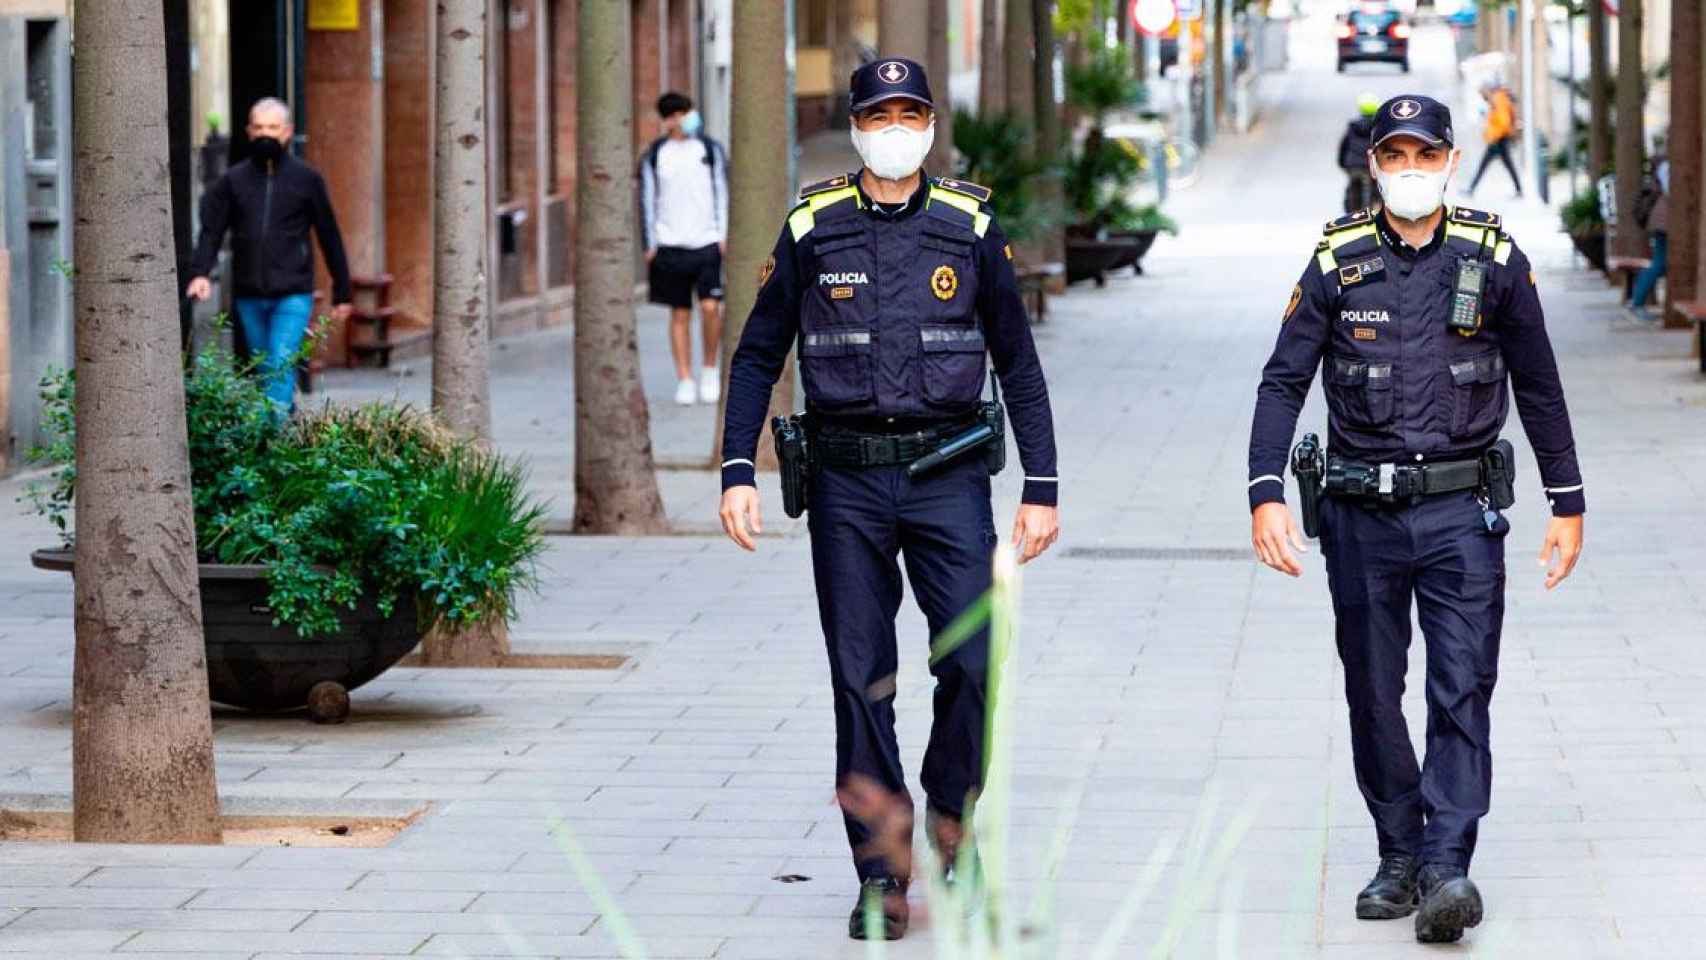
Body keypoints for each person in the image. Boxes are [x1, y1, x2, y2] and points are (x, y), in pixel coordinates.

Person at [717, 57, 1060, 941]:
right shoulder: (813, 226)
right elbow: (760, 352)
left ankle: (952, 820)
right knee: (860, 682)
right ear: (859, 124)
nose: (896, 126)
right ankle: (882, 875)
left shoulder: (970, 225)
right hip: (848, 485)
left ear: (931, 123)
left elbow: (1017, 363)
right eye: (881, 113)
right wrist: (735, 469)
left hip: (950, 477)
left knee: (975, 664)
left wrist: (1043, 488)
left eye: (911, 112)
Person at [1247, 95, 1584, 945]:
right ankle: (1397, 854)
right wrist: (1265, 491)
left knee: (1462, 686)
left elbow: (1539, 385)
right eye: (1393, 156)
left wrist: (1567, 501)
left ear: (1449, 160)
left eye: (1422, 156)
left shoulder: (1494, 258)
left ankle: (1446, 865)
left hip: (1462, 513)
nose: (1408, 171)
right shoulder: (1337, 261)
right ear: (1374, 165)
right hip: (1361, 515)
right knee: (1373, 689)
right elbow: (1282, 380)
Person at [187, 97, 352, 416]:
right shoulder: (233, 181)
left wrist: (342, 291)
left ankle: (269, 442)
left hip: (293, 293)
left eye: (272, 128)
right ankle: (284, 422)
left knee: (279, 361)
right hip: (249, 294)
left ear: (287, 132)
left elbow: (329, 234)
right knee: (267, 370)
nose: (265, 134)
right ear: (249, 131)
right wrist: (200, 273)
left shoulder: (307, 179)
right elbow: (211, 231)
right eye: (259, 127)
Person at [640, 91, 730, 406]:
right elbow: (647, 199)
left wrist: (723, 233)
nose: (687, 118)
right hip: (670, 245)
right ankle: (685, 378)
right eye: (681, 113)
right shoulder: (656, 155)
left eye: (688, 111)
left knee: (710, 308)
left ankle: (708, 369)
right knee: (679, 313)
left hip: (706, 242)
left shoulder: (709, 150)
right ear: (669, 120)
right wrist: (650, 244)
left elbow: (722, 190)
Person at [1626, 151, 1670, 323]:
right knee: (1660, 264)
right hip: (1665, 222)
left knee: (1660, 263)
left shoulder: (1665, 165)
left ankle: (1636, 301)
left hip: (1663, 220)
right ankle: (1636, 303)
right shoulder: (1667, 166)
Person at [1466, 81, 1521, 198]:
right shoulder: (1497, 99)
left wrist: (1494, 136)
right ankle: (1519, 190)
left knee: (1483, 165)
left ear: (1487, 91)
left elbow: (1503, 122)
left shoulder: (1498, 100)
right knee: (1508, 165)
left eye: (1482, 94)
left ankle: (1471, 189)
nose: (1482, 97)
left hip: (1498, 139)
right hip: (1500, 138)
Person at [1338, 93, 1380, 213]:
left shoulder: (1353, 127)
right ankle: (1371, 211)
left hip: (1353, 165)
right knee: (1374, 188)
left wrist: (1343, 163)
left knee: (1353, 186)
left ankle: (1352, 212)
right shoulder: (1378, 128)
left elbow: (1344, 145)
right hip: (1370, 165)